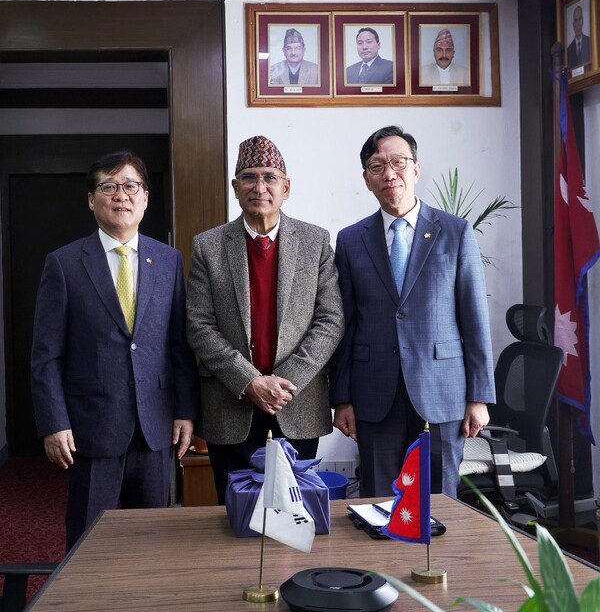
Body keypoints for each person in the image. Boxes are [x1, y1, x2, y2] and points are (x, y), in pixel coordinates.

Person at [30, 151, 199, 550]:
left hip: (155, 427)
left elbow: (179, 345)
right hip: (90, 428)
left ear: (145, 197)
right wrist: (54, 422)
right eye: (108, 186)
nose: (120, 195)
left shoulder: (169, 261)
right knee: (88, 542)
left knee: (153, 539)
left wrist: (186, 411)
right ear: (92, 199)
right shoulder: (64, 264)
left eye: (130, 186)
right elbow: (46, 355)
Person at [330, 125, 495, 498]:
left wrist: (479, 396)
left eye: (398, 162)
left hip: (442, 393)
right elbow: (344, 324)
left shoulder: (455, 232)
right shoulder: (351, 240)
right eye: (377, 166)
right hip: (374, 394)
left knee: (439, 502)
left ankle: (437, 561)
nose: (389, 174)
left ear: (416, 169)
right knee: (379, 501)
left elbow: (474, 317)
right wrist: (342, 398)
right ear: (367, 180)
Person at [186, 135, 344, 504]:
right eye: (249, 177)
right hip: (231, 402)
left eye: (270, 177)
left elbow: (330, 319)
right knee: (235, 514)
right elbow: (199, 325)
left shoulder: (315, 241)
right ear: (235, 188)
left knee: (296, 513)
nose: (260, 187)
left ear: (286, 187)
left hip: (297, 403)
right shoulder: (208, 246)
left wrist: (283, 383)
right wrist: (250, 382)